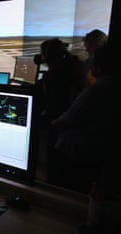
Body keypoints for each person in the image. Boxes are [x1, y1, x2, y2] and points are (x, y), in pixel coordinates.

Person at [50, 44, 121, 195]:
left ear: (100, 66)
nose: (89, 63)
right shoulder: (115, 86)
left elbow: (69, 118)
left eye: (92, 61)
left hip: (78, 153)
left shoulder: (97, 89)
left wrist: (54, 124)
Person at [34, 38, 87, 187]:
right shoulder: (74, 71)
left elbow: (42, 105)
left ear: (45, 57)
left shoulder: (50, 79)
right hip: (72, 130)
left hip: (56, 127)